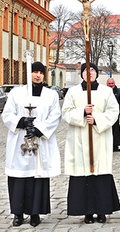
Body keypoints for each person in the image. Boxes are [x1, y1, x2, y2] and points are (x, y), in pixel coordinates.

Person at [1, 61, 61, 227]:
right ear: (29, 74)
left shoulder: (51, 95)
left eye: (41, 72)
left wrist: (39, 129)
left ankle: (35, 213)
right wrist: (21, 121)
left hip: (39, 142)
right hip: (20, 140)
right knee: (19, 177)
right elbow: (7, 114)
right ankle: (18, 214)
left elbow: (55, 116)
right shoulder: (16, 93)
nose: (38, 75)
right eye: (35, 72)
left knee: (37, 176)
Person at [62, 62, 120, 224]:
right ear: (81, 74)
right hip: (79, 138)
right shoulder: (73, 92)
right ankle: (86, 212)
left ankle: (102, 210)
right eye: (86, 71)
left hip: (100, 137)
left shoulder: (106, 91)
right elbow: (65, 112)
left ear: (97, 73)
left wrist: (97, 119)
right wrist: (82, 112)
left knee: (100, 173)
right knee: (83, 174)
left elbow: (114, 111)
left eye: (93, 70)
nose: (90, 73)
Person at [107, 78, 120, 152]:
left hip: (116, 113)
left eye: (112, 83)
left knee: (116, 129)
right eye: (109, 84)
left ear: (114, 83)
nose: (111, 85)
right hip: (107, 113)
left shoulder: (119, 91)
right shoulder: (105, 91)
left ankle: (116, 144)